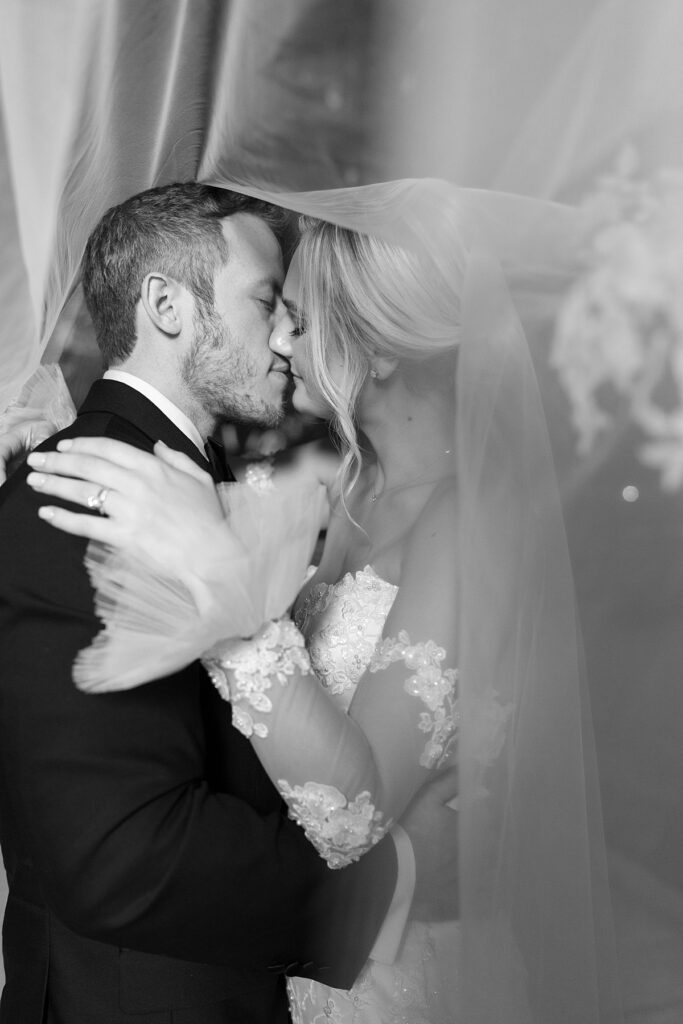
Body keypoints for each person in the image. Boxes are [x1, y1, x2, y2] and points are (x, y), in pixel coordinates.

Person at [18, 200, 514, 1021]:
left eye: (301, 318)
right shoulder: (308, 484)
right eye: (271, 309)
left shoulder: (467, 523)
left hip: (396, 981)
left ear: (378, 351)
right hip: (283, 967)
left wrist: (226, 592)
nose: (282, 340)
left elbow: (352, 815)